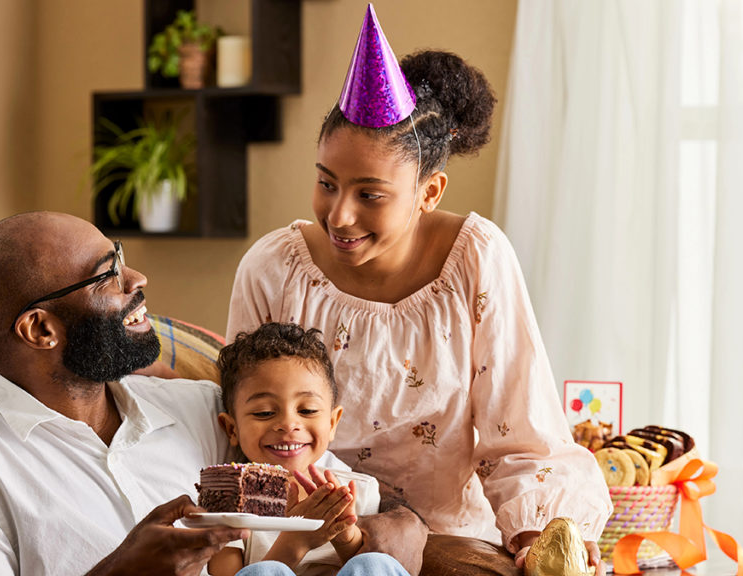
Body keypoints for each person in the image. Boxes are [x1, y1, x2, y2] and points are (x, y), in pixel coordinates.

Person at [225, 4, 613, 572]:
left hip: (443, 547)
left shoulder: (475, 259)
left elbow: (521, 434)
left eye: (370, 195)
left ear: (429, 192)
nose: (340, 215)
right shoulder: (272, 268)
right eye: (326, 183)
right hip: (297, 540)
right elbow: (238, 423)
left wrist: (537, 535)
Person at [0, 212, 425, 576]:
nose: (136, 278)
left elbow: (341, 484)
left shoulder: (199, 410)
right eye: (106, 274)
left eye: (120, 257)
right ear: (41, 330)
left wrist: (388, 533)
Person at [208, 322, 408, 576]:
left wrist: (346, 536)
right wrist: (295, 542)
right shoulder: (226, 498)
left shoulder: (358, 490)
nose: (289, 424)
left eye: (307, 410)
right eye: (265, 413)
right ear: (232, 429)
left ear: (332, 423)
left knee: (374, 563)